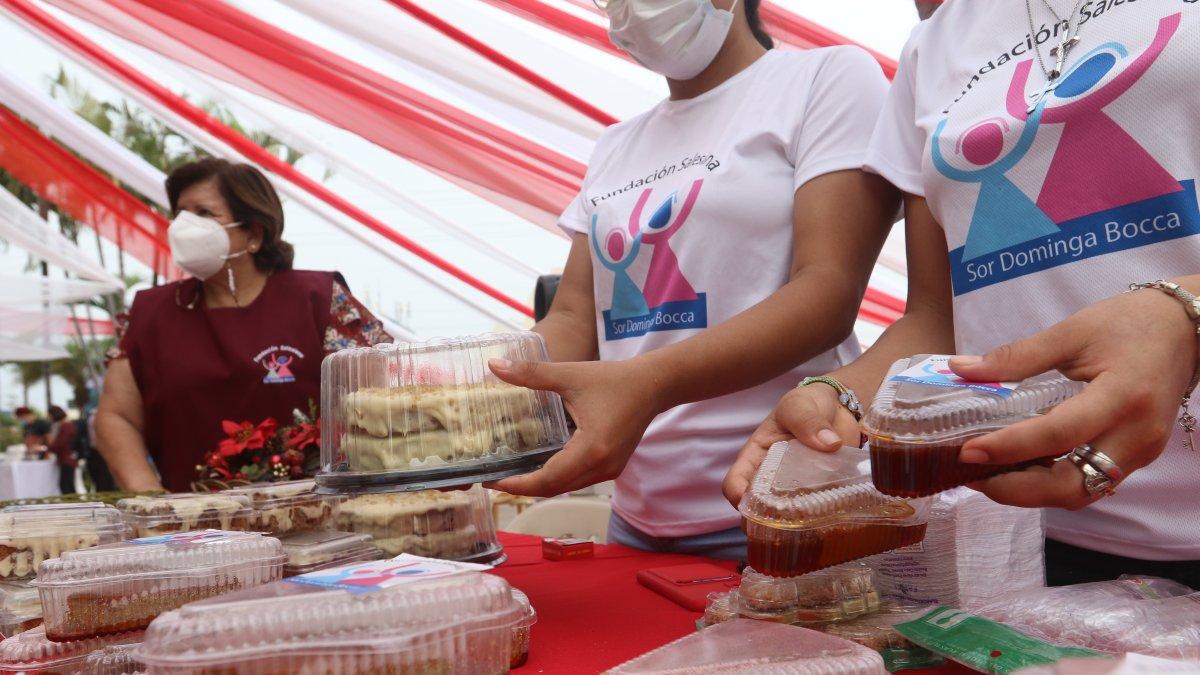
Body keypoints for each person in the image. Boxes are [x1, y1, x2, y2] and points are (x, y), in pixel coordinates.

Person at [727, 1, 1200, 586]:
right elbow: (936, 317)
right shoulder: (933, 46)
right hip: (1024, 537)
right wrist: (839, 395)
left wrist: (1187, 312)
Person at [487, 0, 897, 558]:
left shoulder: (824, 78)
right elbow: (575, 317)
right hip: (635, 520)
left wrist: (648, 383)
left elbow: (828, 290)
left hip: (782, 505)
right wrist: (485, 387)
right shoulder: (617, 145)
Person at [97, 159, 393, 493]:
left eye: (204, 213)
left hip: (319, 512)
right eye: (180, 213)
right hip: (192, 519)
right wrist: (149, 496)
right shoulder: (149, 313)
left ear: (253, 234)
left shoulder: (320, 299)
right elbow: (116, 416)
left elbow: (384, 397)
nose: (184, 226)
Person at [46, 406, 78, 495]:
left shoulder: (66, 426)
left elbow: (60, 443)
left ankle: (73, 502)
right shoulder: (63, 425)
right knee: (66, 485)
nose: (49, 418)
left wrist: (49, 448)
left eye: (49, 415)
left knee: (67, 485)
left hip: (67, 458)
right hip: (66, 458)